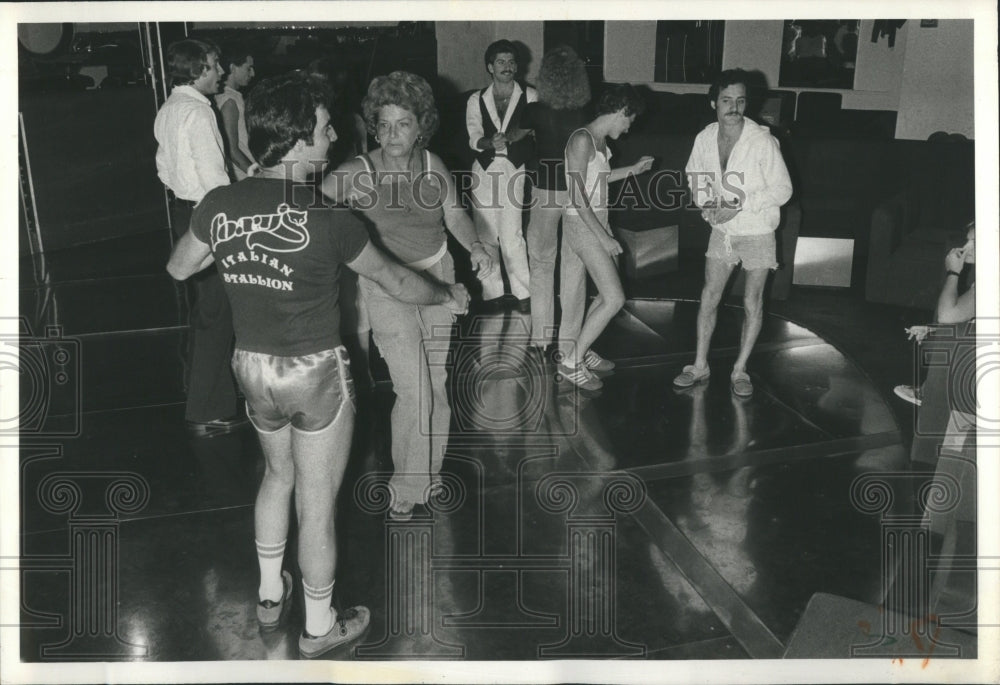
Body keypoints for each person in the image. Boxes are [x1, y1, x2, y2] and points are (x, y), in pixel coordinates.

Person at [166, 73, 471, 658]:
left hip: (253, 370)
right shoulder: (330, 219)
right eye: (326, 126)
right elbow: (398, 280)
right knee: (316, 500)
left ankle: (267, 595)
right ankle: (319, 626)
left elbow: (181, 268)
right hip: (314, 377)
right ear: (301, 137)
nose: (335, 135)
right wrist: (447, 295)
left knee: (276, 477)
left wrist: (238, 250)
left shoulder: (219, 204)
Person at [321, 71, 495, 520]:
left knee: (435, 387)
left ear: (421, 126)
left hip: (439, 275)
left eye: (403, 124)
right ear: (373, 126)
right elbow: (308, 206)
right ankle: (405, 485)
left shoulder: (432, 164)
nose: (392, 134)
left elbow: (454, 212)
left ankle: (429, 476)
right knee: (414, 391)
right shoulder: (358, 173)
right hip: (386, 287)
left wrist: (475, 245)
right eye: (384, 124)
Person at [673, 69, 793, 398]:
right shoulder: (705, 137)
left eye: (740, 100)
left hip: (757, 231)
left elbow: (783, 189)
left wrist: (739, 204)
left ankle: (740, 369)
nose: (734, 107)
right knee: (709, 297)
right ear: (714, 102)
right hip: (723, 231)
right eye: (726, 100)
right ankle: (699, 365)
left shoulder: (762, 140)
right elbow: (694, 174)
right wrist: (708, 203)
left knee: (752, 301)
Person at [154, 38, 244, 436]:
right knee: (218, 315)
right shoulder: (198, 111)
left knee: (205, 313)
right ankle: (208, 410)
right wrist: (230, 220)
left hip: (182, 211)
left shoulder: (169, 108)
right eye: (214, 64)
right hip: (206, 213)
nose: (220, 70)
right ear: (197, 70)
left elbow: (162, 167)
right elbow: (214, 179)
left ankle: (201, 393)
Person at [556, 85, 653, 391]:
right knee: (614, 297)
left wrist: (633, 170)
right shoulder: (582, 139)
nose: (628, 127)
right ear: (621, 110)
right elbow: (576, 193)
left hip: (594, 222)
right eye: (629, 120)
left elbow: (598, 178)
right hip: (583, 225)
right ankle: (572, 362)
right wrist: (604, 237)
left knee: (575, 296)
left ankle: (573, 351)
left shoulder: (598, 142)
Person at [517, 45, 591, 350]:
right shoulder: (586, 112)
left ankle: (540, 338)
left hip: (545, 189)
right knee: (574, 267)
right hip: (578, 192)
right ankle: (569, 344)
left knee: (541, 262)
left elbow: (515, 140)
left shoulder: (533, 111)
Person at [466, 39, 537, 309]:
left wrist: (506, 140)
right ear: (490, 67)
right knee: (485, 234)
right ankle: (492, 294)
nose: (506, 67)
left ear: (517, 67)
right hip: (483, 169)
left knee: (512, 233)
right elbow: (473, 136)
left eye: (510, 62)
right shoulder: (476, 99)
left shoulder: (530, 96)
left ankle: (524, 294)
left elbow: (531, 130)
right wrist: (488, 143)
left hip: (513, 169)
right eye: (500, 62)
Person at [216, 40, 257, 179]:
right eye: (248, 68)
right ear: (233, 68)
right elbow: (232, 150)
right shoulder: (229, 101)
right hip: (243, 177)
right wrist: (258, 176)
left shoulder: (232, 97)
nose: (253, 74)